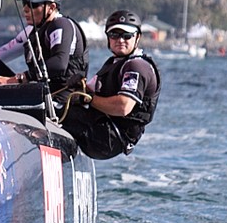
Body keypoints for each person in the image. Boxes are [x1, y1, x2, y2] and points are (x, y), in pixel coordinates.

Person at [61, 9, 161, 159]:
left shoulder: (136, 67)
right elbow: (87, 90)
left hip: (111, 139)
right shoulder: (113, 63)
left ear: (138, 38)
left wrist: (89, 99)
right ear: (108, 38)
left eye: (127, 36)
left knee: (59, 114)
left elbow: (123, 107)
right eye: (115, 35)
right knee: (56, 105)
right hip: (102, 129)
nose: (120, 40)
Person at [0, 0, 88, 103]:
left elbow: (59, 63)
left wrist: (18, 79)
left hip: (62, 101)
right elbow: (0, 55)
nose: (25, 9)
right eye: (24, 3)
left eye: (33, 4)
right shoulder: (33, 31)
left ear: (51, 7)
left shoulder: (60, 25)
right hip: (41, 94)